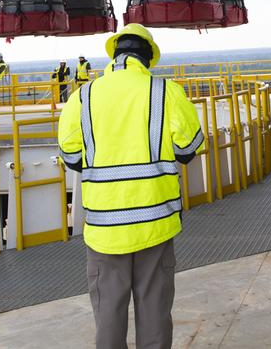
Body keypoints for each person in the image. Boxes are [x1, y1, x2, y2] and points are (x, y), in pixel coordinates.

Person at [57, 24, 204, 349]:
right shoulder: (166, 92)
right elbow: (189, 148)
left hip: (104, 231)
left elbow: (70, 155)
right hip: (155, 226)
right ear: (148, 58)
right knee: (154, 316)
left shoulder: (83, 96)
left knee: (109, 316)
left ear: (115, 56)